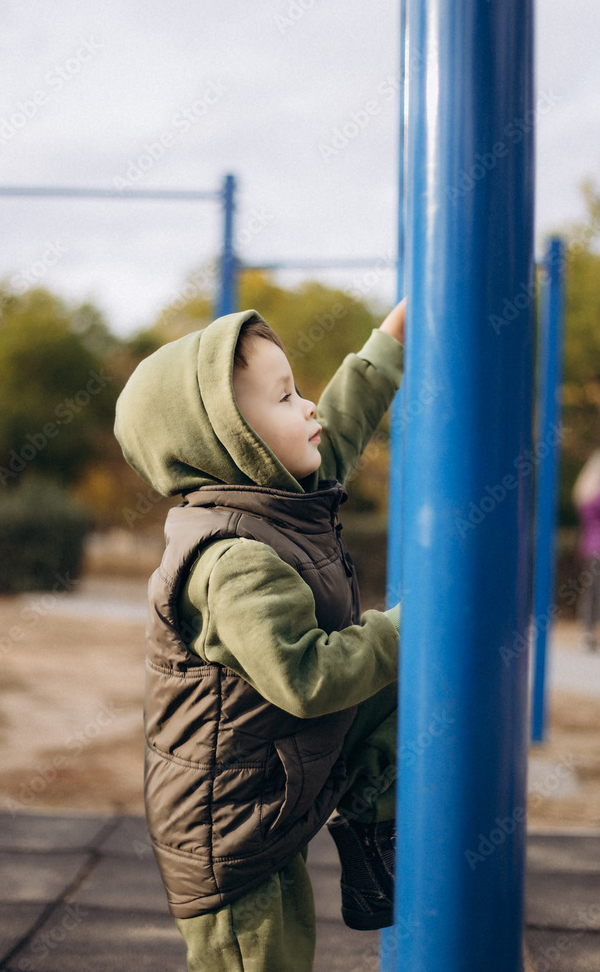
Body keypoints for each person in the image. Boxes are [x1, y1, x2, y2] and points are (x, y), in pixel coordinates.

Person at [113, 300, 406, 972]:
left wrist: (389, 342)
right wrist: (415, 626)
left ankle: (372, 836)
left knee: (394, 693)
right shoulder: (230, 560)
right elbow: (308, 679)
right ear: (228, 440)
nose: (307, 408)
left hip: (279, 778)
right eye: (283, 398)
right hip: (233, 832)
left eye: (298, 389)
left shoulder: (276, 494)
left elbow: (341, 426)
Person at [572, 448, 600, 652]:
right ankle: (590, 632)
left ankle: (587, 632)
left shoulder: (584, 492)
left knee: (590, 592)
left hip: (589, 547)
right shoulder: (597, 495)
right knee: (595, 592)